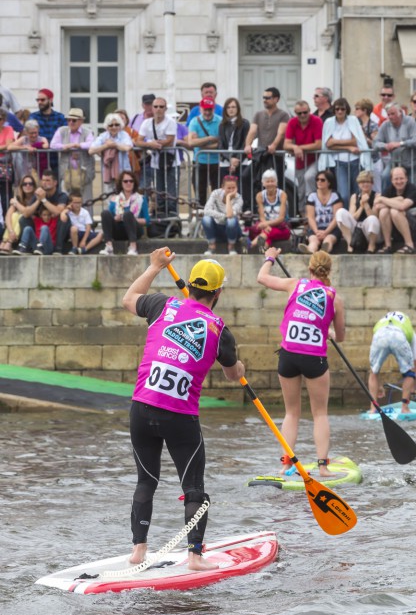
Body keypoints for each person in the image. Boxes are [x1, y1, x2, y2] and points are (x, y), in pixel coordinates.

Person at [121, 250, 246, 570]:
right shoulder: (220, 330)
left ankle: (138, 551)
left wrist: (154, 267)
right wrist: (239, 364)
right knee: (193, 488)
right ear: (218, 292)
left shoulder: (163, 304)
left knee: (145, 482)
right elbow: (234, 375)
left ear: (190, 285)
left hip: (141, 408)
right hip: (180, 417)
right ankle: (195, 556)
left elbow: (129, 298)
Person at [258, 248, 345, 478]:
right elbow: (341, 335)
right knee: (320, 414)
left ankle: (286, 464)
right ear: (330, 270)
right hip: (314, 358)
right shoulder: (334, 298)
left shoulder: (295, 284)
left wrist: (270, 258)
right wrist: (328, 333)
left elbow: (262, 278)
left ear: (310, 268)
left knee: (291, 413)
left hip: (288, 356)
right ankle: (323, 467)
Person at [368, 311, 416, 414]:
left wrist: (378, 386)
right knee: (409, 373)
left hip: (380, 336)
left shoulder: (382, 323)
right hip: (399, 337)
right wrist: (415, 388)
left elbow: (375, 371)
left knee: (373, 372)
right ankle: (404, 408)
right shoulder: (412, 334)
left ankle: (373, 408)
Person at [319, 97, 370, 202]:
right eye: (337, 109)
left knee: (357, 192)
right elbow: (328, 144)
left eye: (342, 109)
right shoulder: (329, 122)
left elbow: (355, 141)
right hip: (339, 162)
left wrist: (335, 141)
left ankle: (356, 216)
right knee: (344, 194)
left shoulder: (353, 120)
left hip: (355, 161)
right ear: (334, 110)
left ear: (346, 110)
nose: (340, 111)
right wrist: (348, 147)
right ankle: (345, 216)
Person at [137, 96, 178, 216]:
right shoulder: (146, 123)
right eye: (156, 106)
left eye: (161, 106)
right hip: (156, 161)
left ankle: (172, 215)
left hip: (170, 160)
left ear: (165, 109)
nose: (158, 109)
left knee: (171, 190)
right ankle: (160, 214)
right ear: (152, 108)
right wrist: (150, 144)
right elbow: (138, 141)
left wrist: (154, 144)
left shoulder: (170, 122)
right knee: (158, 189)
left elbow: (169, 140)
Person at [244, 87, 290, 191]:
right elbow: (252, 131)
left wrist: (273, 146)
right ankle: (251, 205)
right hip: (261, 155)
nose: (265, 100)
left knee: (276, 183)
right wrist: (247, 145)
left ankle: (278, 205)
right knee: (246, 177)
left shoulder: (283, 115)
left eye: (268, 98)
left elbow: (281, 132)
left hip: (276, 156)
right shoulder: (258, 114)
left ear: (276, 99)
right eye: (264, 97)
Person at [377, 165, 416, 254]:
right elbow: (377, 206)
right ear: (391, 180)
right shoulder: (389, 190)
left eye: (401, 178)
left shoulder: (412, 189)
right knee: (384, 211)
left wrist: (383, 199)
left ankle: (409, 245)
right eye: (396, 179)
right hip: (396, 230)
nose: (399, 181)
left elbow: (402, 206)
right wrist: (398, 200)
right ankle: (388, 245)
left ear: (406, 178)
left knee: (395, 211)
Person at [50, 107, 95, 202]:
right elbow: (53, 145)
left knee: (86, 201)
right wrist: (66, 146)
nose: (70, 122)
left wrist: (79, 146)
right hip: (66, 172)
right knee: (65, 200)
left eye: (74, 120)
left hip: (84, 172)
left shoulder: (88, 132)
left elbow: (92, 144)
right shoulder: (62, 130)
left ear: (81, 121)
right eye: (68, 120)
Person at [101, 171, 148, 255]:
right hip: (119, 230)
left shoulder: (141, 199)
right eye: (125, 181)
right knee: (105, 213)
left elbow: (147, 220)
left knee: (128, 214)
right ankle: (108, 246)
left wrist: (133, 220)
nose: (128, 183)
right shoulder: (115, 199)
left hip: (135, 230)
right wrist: (116, 218)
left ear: (134, 183)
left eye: (131, 181)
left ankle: (133, 247)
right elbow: (109, 219)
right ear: (121, 183)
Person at [284, 99, 324, 198]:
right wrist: (295, 147)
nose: (302, 115)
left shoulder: (317, 121)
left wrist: (299, 148)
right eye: (299, 113)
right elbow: (286, 144)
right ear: (295, 113)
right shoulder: (292, 122)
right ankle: (303, 212)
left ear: (310, 110)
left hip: (316, 159)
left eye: (305, 112)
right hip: (300, 161)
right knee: (301, 190)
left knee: (309, 177)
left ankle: (312, 207)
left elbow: (319, 144)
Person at [187, 98, 223, 205]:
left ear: (213, 109)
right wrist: (210, 138)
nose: (207, 112)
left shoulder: (220, 121)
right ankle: (201, 216)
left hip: (216, 162)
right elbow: (191, 143)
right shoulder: (194, 121)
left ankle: (217, 216)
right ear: (200, 109)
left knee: (217, 193)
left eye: (210, 109)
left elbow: (222, 143)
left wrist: (202, 144)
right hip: (200, 161)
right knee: (199, 192)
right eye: (205, 109)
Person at [335, 171, 381, 253]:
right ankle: (350, 244)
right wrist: (361, 206)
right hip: (357, 227)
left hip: (371, 230)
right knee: (340, 212)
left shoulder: (377, 196)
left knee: (372, 219)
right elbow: (353, 217)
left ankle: (371, 245)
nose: (365, 184)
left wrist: (366, 204)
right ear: (358, 184)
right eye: (362, 182)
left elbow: (374, 217)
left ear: (372, 183)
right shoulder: (354, 196)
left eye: (368, 182)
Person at [248, 169, 291, 253]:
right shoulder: (260, 195)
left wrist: (266, 224)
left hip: (281, 228)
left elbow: (281, 218)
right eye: (267, 181)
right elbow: (262, 216)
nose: (270, 183)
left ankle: (250, 245)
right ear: (263, 183)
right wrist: (265, 225)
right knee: (267, 233)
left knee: (267, 233)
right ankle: (264, 249)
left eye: (272, 181)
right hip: (267, 227)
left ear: (276, 182)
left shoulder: (282, 195)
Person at [200, 173, 244, 255]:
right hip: (217, 226)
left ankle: (231, 247)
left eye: (233, 188)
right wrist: (223, 216)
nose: (231, 190)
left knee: (231, 221)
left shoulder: (238, 198)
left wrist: (228, 198)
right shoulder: (216, 193)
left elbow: (230, 215)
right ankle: (212, 246)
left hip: (232, 230)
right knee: (206, 219)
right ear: (223, 187)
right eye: (228, 188)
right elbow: (206, 210)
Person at [90, 114, 135, 192]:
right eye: (111, 125)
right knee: (109, 197)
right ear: (107, 127)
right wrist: (106, 146)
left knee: (124, 196)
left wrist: (114, 144)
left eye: (116, 125)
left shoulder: (124, 135)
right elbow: (91, 150)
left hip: (123, 171)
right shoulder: (103, 136)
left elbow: (127, 147)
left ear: (120, 125)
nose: (114, 127)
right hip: (108, 171)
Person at [217, 97, 251, 197]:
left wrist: (236, 159)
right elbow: (221, 145)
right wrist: (230, 158)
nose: (231, 109)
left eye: (233, 107)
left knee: (241, 188)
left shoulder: (245, 123)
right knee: (225, 188)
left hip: (241, 158)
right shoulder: (222, 125)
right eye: (228, 107)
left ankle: (243, 209)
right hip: (226, 159)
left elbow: (245, 143)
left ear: (238, 109)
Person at [304, 169, 343, 254]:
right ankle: (310, 251)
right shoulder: (312, 196)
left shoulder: (335, 195)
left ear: (329, 182)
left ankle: (323, 253)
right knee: (314, 241)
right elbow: (310, 217)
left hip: (332, 229)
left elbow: (336, 217)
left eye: (322, 180)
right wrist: (317, 232)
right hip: (316, 228)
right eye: (317, 179)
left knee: (328, 240)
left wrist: (326, 232)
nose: (319, 182)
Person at [2, 175, 38, 254]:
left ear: (34, 186)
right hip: (16, 232)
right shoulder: (18, 198)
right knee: (14, 215)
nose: (27, 186)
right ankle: (6, 240)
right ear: (21, 187)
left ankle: (9, 242)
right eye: (24, 184)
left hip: (31, 229)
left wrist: (16, 203)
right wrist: (11, 231)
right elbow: (8, 216)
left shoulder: (36, 198)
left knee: (21, 216)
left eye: (30, 183)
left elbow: (26, 213)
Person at [61, 190, 101, 254]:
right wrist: (66, 210)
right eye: (75, 203)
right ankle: (74, 248)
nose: (78, 205)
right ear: (70, 203)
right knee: (73, 228)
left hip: (85, 233)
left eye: (79, 203)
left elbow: (88, 227)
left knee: (101, 234)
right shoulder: (68, 212)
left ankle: (84, 249)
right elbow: (63, 218)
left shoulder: (85, 212)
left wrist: (84, 240)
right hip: (75, 233)